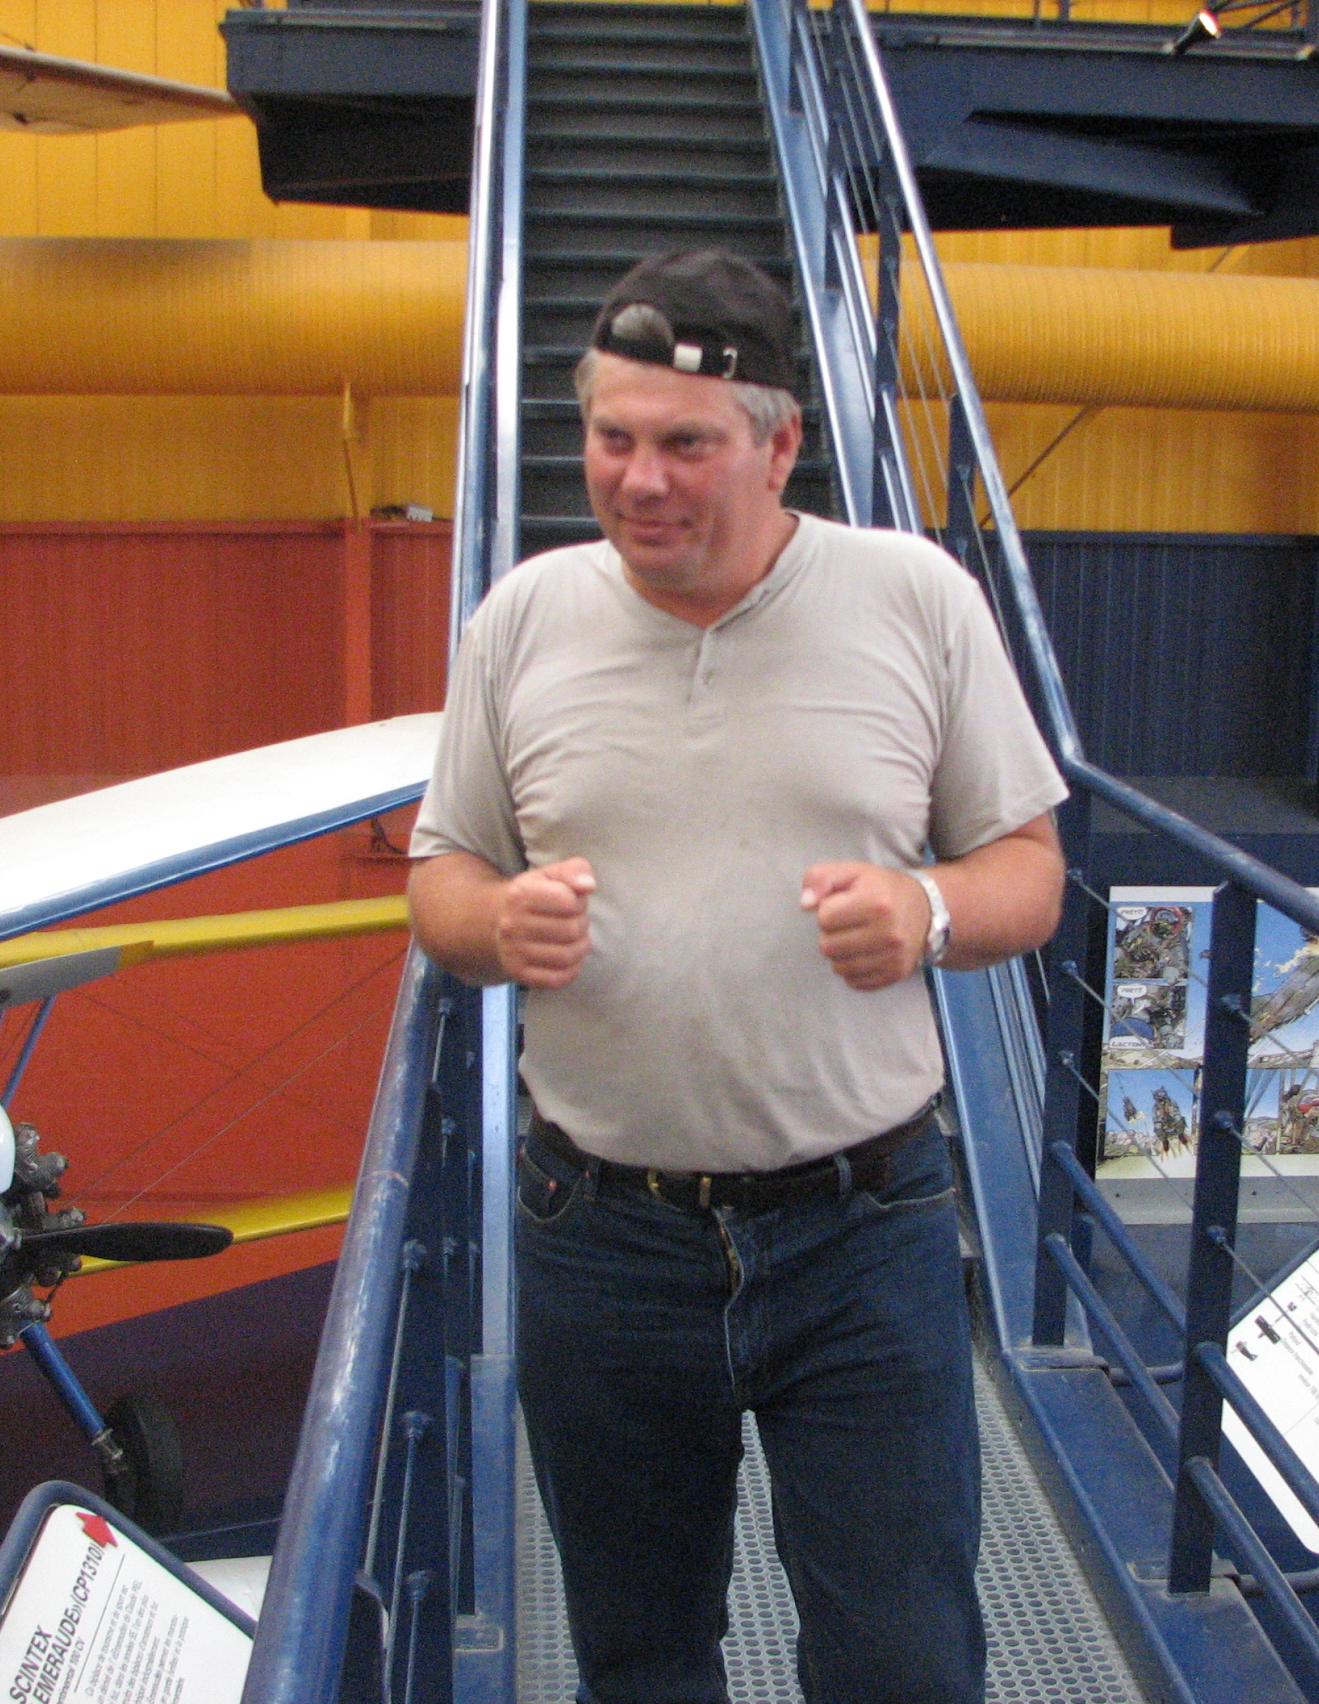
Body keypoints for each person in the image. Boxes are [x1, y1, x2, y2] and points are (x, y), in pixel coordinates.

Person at [406, 249, 1068, 1704]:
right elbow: (442, 874)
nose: (639, 481)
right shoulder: (523, 617)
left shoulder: (916, 598)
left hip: (862, 1234)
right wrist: (493, 923)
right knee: (641, 1658)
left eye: (685, 444)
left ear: (780, 446)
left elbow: (1029, 870)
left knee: (903, 1662)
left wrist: (928, 910)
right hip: (602, 1236)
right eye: (612, 438)